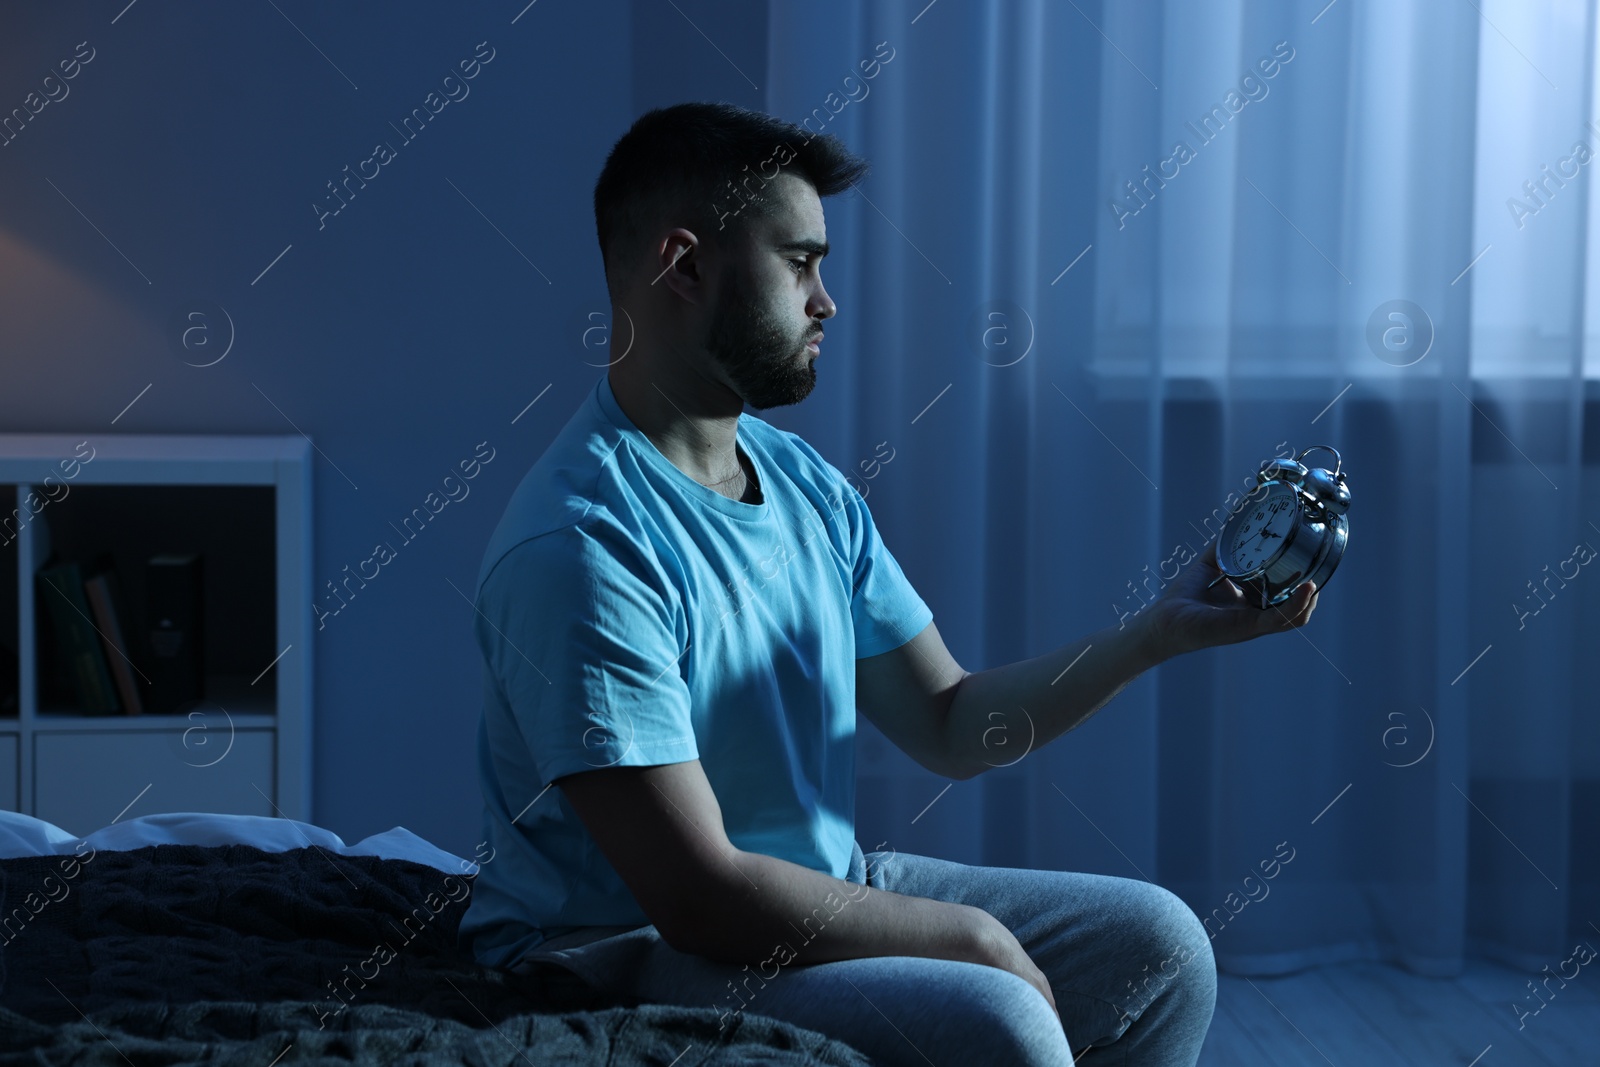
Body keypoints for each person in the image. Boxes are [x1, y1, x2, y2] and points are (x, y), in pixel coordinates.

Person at [457, 101, 1319, 1066]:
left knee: (1164, 948)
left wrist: (1158, 633)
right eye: (801, 262)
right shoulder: (583, 546)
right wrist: (968, 934)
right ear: (684, 267)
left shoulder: (803, 485)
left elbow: (949, 721)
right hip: (618, 949)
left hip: (808, 882)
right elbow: (696, 894)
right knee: (1005, 1020)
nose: (827, 300)